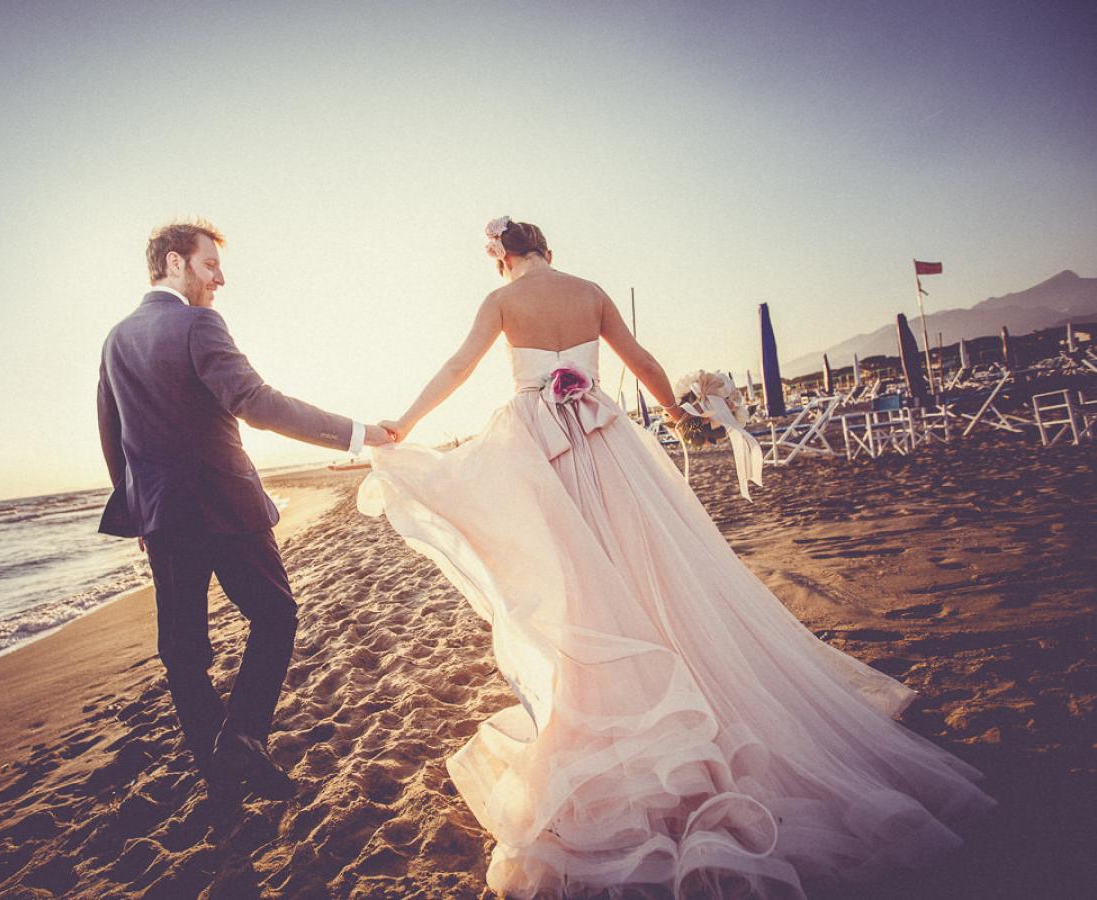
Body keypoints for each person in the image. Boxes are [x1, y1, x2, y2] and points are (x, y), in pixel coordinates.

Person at [358, 217, 996, 899]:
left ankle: (614, 698)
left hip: (545, 456)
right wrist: (680, 412)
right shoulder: (590, 288)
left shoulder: (502, 300)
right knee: (654, 564)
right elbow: (645, 365)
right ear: (547, 248)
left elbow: (460, 366)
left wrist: (406, 424)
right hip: (610, 445)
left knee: (582, 581)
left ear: (501, 257)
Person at [97, 218, 392, 800]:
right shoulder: (196, 322)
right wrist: (358, 434)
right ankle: (243, 738)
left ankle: (222, 776)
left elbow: (113, 436)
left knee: (183, 654)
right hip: (226, 505)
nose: (220, 279)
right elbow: (255, 403)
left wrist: (139, 510)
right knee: (276, 616)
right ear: (175, 264)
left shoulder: (115, 340)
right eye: (211, 265)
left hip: (163, 518)